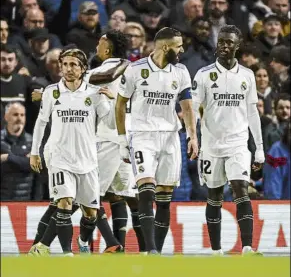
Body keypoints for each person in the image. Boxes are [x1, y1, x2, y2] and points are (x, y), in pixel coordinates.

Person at [115, 27, 199, 254]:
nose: (181, 50)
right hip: (142, 136)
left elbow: (188, 107)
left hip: (171, 137)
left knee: (164, 197)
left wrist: (192, 136)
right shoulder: (135, 69)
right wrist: (123, 139)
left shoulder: (180, 71)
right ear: (164, 47)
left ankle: (157, 253)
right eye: (178, 46)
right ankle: (149, 249)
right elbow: (120, 105)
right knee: (146, 189)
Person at [29, 47, 117, 256]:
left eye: (73, 65)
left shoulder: (94, 93)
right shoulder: (51, 92)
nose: (68, 69)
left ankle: (81, 241)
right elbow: (41, 123)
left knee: (91, 213)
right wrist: (35, 152)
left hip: (87, 160)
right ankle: (67, 253)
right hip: (60, 158)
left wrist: (112, 101)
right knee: (64, 203)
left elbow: (112, 123)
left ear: (83, 68)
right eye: (65, 64)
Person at [192, 24, 265, 255]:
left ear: (238, 45)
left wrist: (259, 148)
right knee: (214, 196)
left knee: (240, 189)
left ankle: (247, 248)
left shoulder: (247, 75)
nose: (224, 45)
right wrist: (192, 137)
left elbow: (253, 113)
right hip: (211, 146)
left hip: (238, 144)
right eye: (221, 41)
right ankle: (216, 251)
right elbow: (192, 109)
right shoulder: (203, 75)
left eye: (229, 42)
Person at [77, 30, 145, 253]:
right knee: (123, 195)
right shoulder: (133, 70)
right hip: (128, 137)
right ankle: (144, 249)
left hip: (107, 139)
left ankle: (110, 243)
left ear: (108, 49)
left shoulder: (104, 70)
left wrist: (80, 76)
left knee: (89, 195)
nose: (97, 46)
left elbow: (102, 80)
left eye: (100, 42)